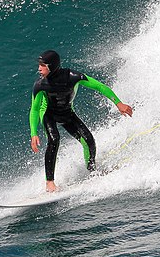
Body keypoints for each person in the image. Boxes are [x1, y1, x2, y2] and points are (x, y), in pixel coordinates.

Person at [29, 50, 133, 192]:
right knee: (54, 140)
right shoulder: (40, 85)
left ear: (52, 66)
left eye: (43, 65)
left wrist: (118, 103)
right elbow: (35, 109)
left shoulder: (73, 77)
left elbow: (99, 86)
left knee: (89, 141)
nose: (39, 69)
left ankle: (92, 171)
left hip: (67, 113)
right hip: (48, 115)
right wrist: (34, 133)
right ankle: (50, 183)